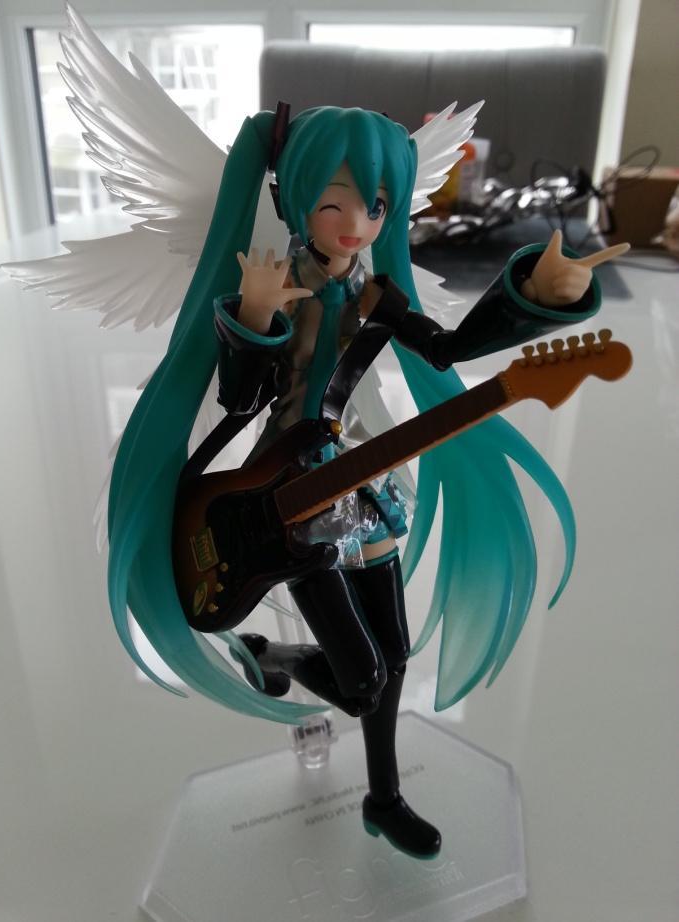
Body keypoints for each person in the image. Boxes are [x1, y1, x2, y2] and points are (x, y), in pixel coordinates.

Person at [106, 103, 627, 858]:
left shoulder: (374, 291)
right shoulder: (276, 277)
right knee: (362, 681)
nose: (357, 223)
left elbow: (445, 350)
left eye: (376, 206)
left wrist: (535, 295)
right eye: (335, 203)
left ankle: (382, 798)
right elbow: (240, 400)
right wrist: (253, 318)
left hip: (357, 472)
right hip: (282, 495)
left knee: (395, 658)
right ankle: (278, 657)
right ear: (295, 199)